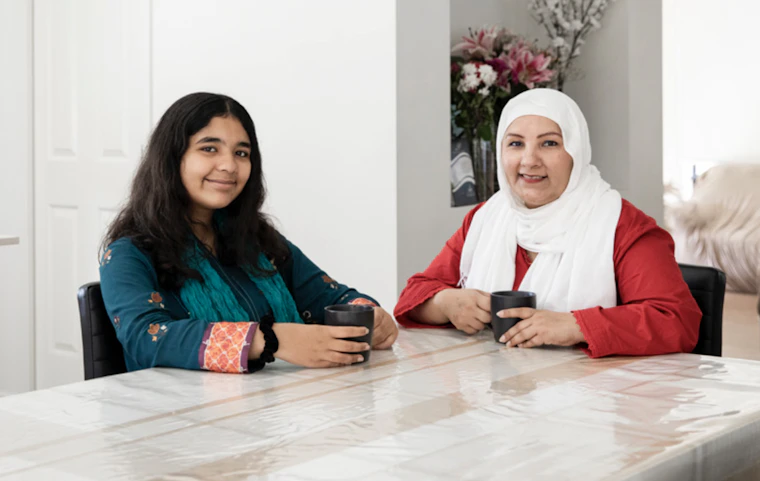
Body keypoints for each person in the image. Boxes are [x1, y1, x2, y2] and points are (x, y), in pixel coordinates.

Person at [100, 92, 398, 373]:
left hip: (276, 412)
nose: (229, 165)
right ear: (171, 158)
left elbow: (331, 297)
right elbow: (147, 338)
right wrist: (270, 340)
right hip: (181, 417)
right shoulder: (129, 253)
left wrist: (371, 316)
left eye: (241, 153)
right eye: (209, 148)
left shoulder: (257, 240)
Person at [394, 89, 701, 358]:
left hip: (595, 404)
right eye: (515, 144)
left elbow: (675, 320)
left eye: (549, 143)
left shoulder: (620, 224)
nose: (529, 160)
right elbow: (413, 297)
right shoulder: (488, 218)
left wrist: (577, 325)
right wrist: (447, 302)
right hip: (497, 397)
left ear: (576, 154)